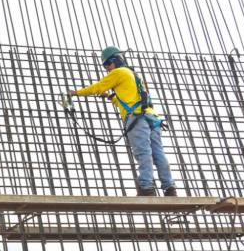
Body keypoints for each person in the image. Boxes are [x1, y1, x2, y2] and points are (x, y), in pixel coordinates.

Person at [67, 46, 177, 197]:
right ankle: (170, 188)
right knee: (158, 153)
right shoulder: (132, 74)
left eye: (107, 65)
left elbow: (97, 87)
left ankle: (146, 188)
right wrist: (110, 97)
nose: (107, 70)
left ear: (114, 61)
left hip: (137, 119)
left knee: (143, 152)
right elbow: (131, 99)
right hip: (152, 118)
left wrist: (76, 93)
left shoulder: (118, 72)